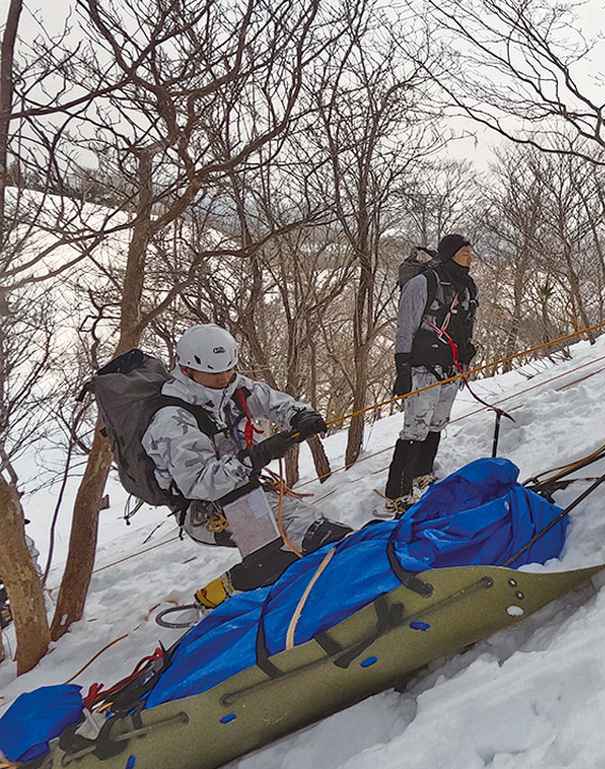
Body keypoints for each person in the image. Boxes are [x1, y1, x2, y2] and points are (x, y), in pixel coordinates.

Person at [143, 324, 351, 608]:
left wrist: (300, 415)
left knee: (310, 535)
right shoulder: (172, 420)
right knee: (289, 549)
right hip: (204, 510)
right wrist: (256, 456)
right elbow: (200, 483)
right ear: (188, 370)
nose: (224, 378)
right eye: (215, 374)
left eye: (229, 370)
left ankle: (331, 587)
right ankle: (235, 594)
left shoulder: (233, 388)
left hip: (245, 489)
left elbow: (271, 401)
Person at [382, 234, 480, 515]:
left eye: (470, 253)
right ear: (449, 254)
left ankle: (421, 474)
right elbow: (405, 326)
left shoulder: (468, 286)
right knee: (416, 426)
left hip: (451, 366)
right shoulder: (423, 283)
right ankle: (397, 491)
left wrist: (466, 355)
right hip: (422, 367)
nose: (469, 258)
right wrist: (402, 367)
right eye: (464, 253)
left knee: (437, 422)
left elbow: (467, 324)